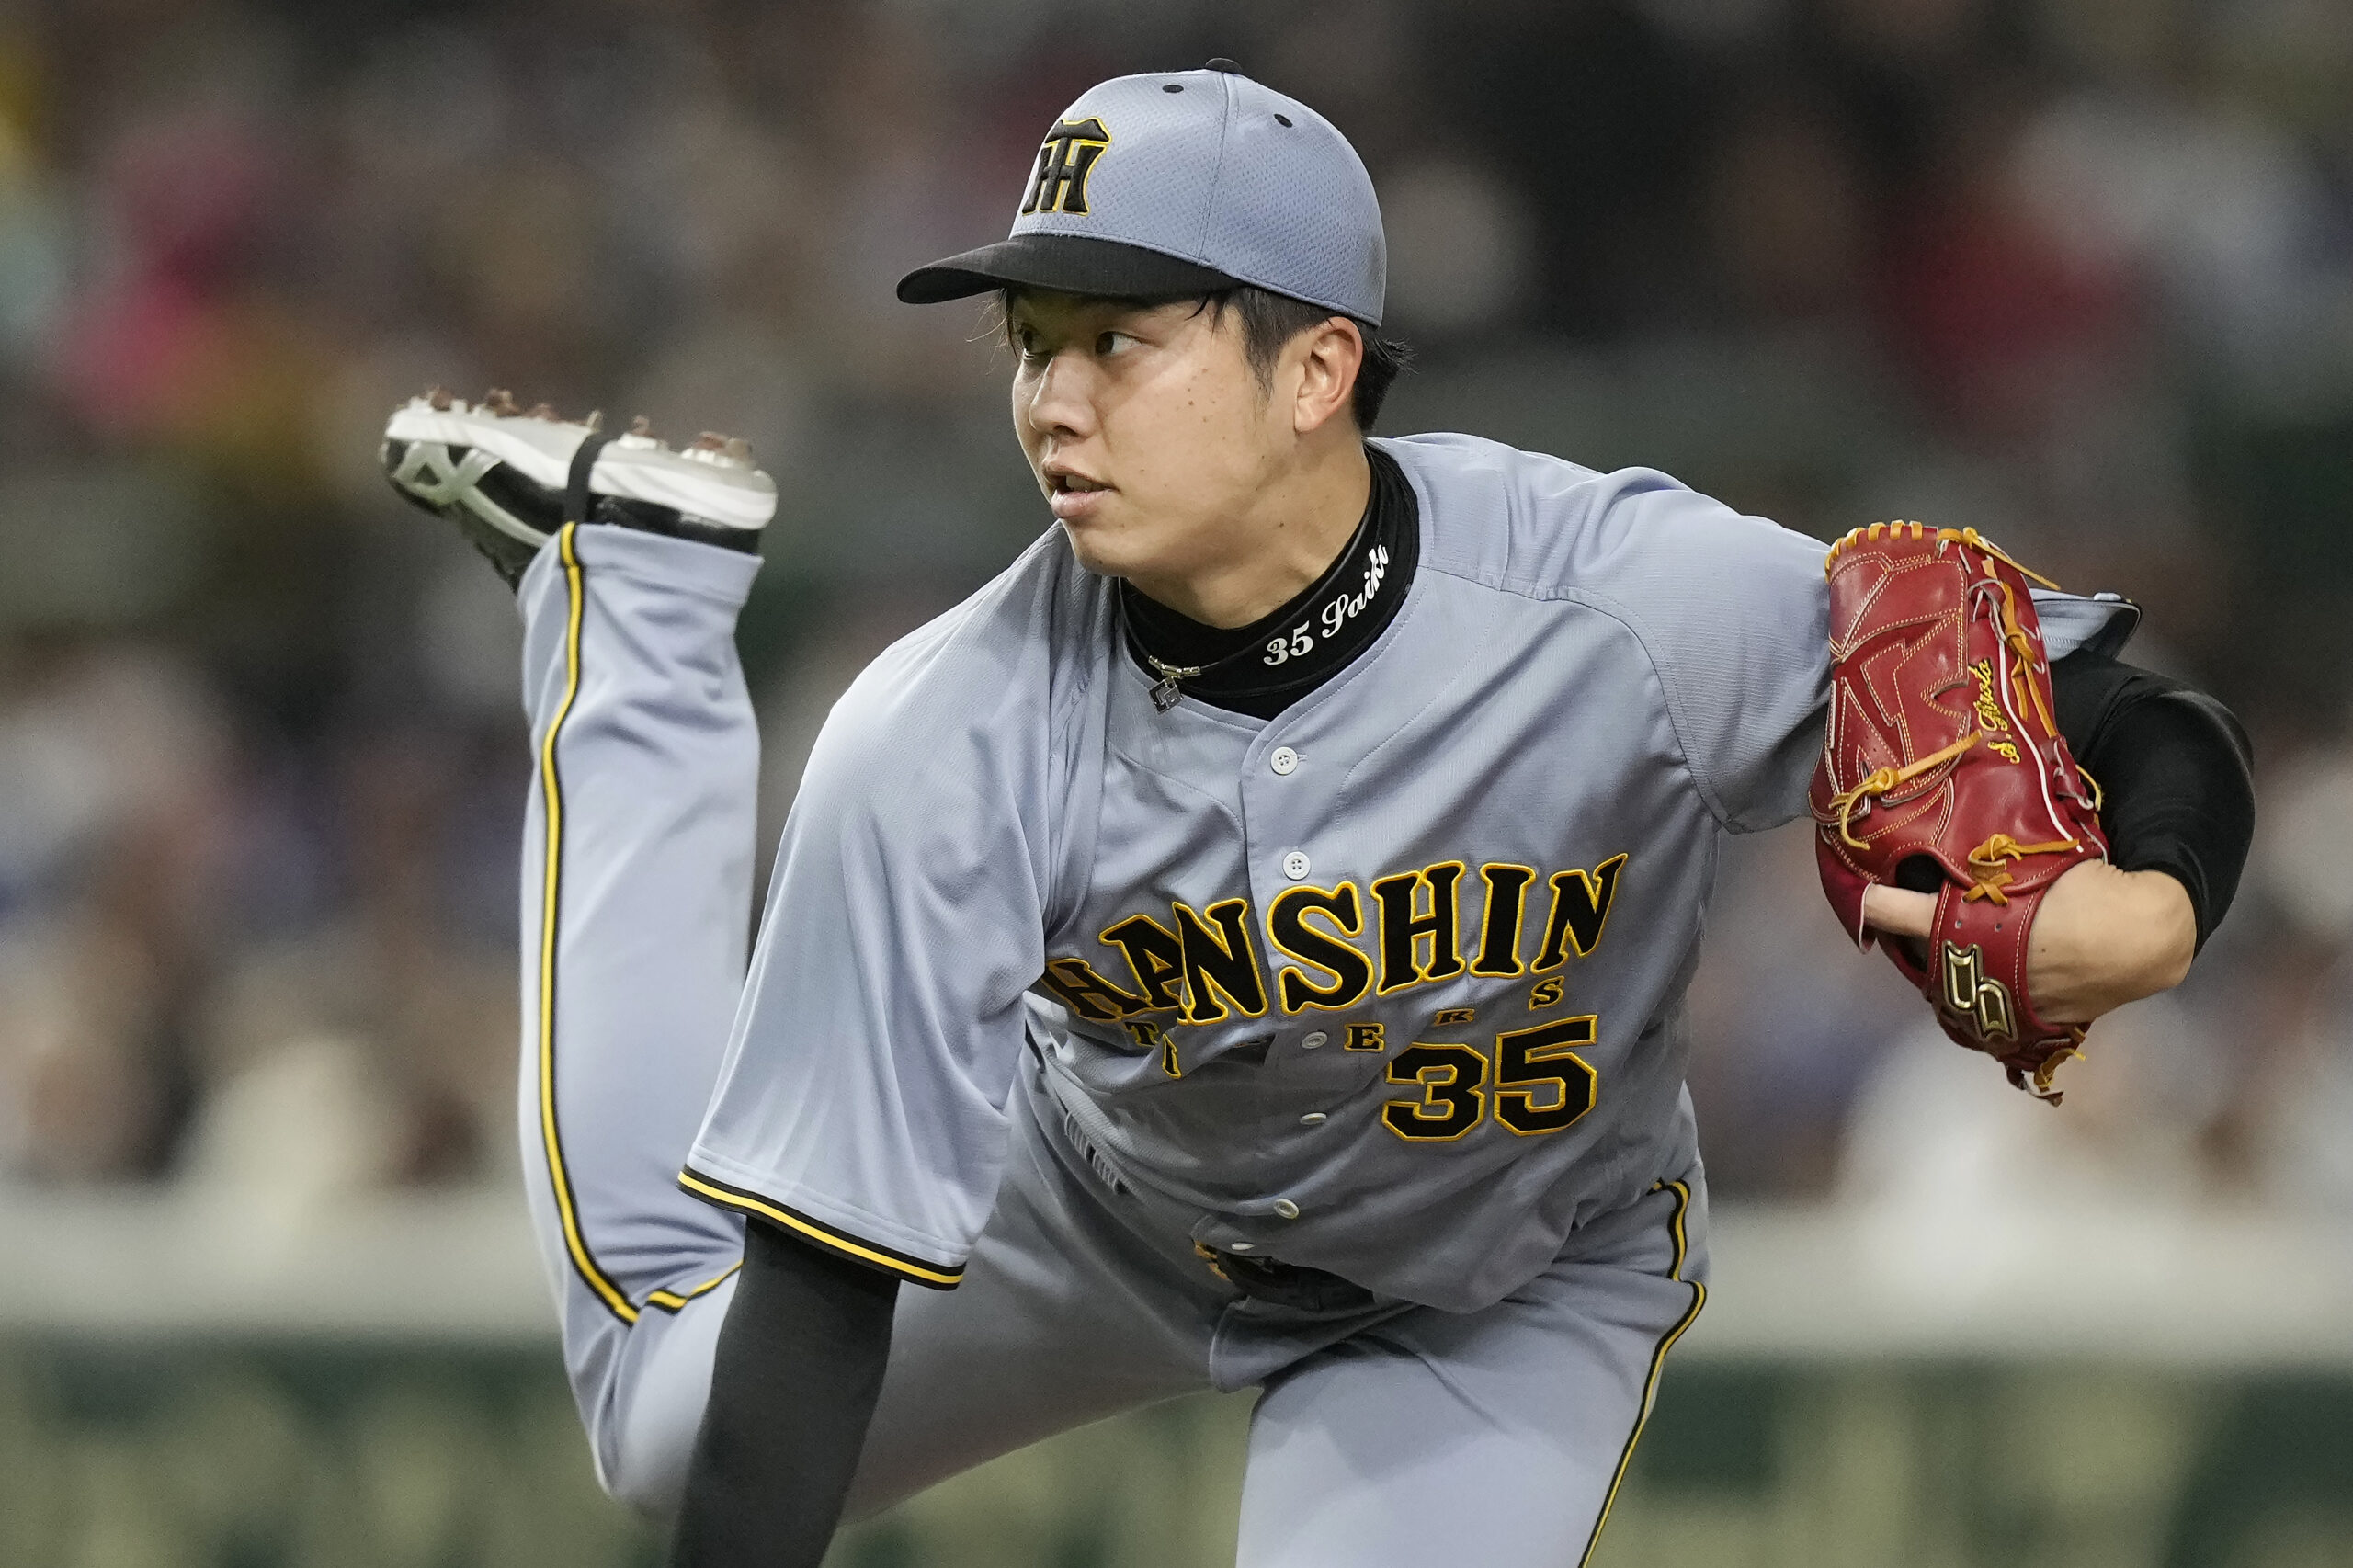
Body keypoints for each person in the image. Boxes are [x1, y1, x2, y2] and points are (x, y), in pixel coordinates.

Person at [381, 62, 2254, 1568]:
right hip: (1090, 1206)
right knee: (661, 1424)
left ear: (1316, 368)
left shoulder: (1622, 606)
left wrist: (2154, 898)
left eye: (1123, 337)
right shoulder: (935, 735)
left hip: (1497, 1285)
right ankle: (630, 603)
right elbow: (815, 1291)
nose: (1052, 392)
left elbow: (2108, 702)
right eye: (1033, 334)